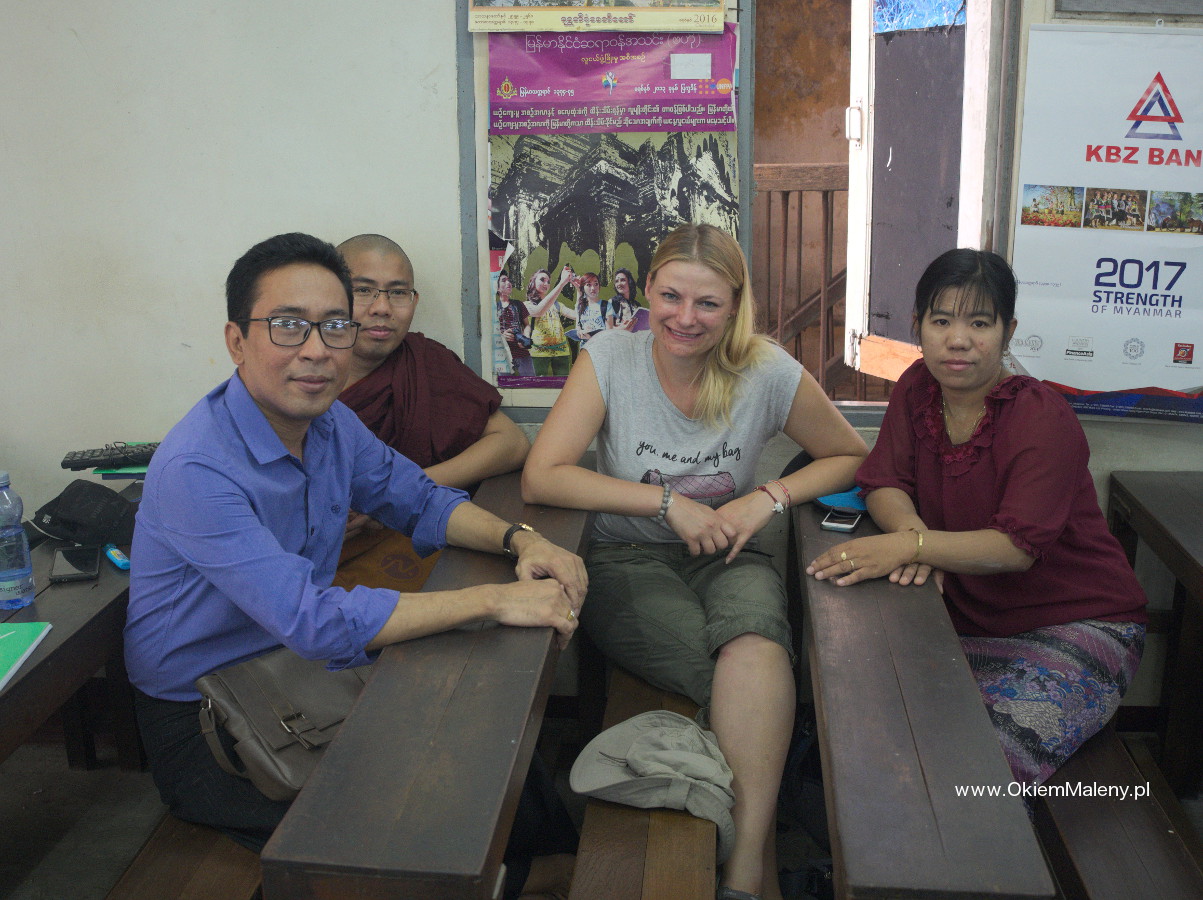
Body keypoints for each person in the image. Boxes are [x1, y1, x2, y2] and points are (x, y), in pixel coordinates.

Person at [123, 233, 585, 897]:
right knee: (402, 822)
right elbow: (313, 620)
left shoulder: (329, 423)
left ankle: (556, 867)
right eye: (288, 326)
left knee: (486, 738)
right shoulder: (198, 468)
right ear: (236, 341)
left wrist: (521, 541)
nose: (316, 349)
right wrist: (494, 599)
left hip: (300, 669)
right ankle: (522, 878)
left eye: (334, 326)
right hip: (207, 715)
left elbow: (419, 498)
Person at [523, 223, 868, 900]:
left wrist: (767, 497)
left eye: (707, 303)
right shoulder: (610, 356)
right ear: (647, 288)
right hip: (625, 558)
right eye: (671, 296)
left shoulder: (765, 369)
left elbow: (850, 455)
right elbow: (543, 476)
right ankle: (755, 872)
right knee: (750, 692)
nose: (685, 317)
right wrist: (664, 503)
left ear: (735, 304)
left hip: (732, 554)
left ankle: (741, 868)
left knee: (758, 651)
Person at [806, 248, 1147, 787]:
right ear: (917, 326)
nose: (958, 339)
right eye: (941, 321)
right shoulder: (919, 387)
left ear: (1009, 331)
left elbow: (1014, 548)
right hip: (961, 616)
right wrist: (914, 534)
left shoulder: (1041, 417)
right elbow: (884, 481)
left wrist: (912, 548)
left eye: (980, 324)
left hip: (1076, 625)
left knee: (977, 770)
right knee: (876, 730)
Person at [337, 234, 529, 492]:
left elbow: (512, 444)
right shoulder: (296, 369)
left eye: (398, 292)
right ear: (329, 295)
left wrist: (403, 488)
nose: (382, 307)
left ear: (414, 301)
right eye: (363, 290)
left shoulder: (423, 362)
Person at [524, 266, 578, 376]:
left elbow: (577, 316)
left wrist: (579, 290)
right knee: (538, 384)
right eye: (542, 280)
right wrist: (562, 283)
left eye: (548, 281)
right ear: (533, 282)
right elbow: (539, 311)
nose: (546, 283)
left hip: (561, 352)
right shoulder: (526, 305)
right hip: (538, 353)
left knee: (563, 384)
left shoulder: (557, 305)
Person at [497, 271, 534, 377]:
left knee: (529, 382)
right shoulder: (494, 307)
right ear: (497, 288)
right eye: (504, 280)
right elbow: (488, 330)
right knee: (505, 384)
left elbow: (527, 325)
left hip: (522, 352)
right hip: (503, 354)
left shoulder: (518, 304)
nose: (508, 283)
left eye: (509, 280)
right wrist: (502, 335)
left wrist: (525, 337)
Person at [573, 271, 607, 343]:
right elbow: (578, 328)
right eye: (588, 285)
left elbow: (610, 332)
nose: (593, 288)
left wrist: (591, 337)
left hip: (602, 346)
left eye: (596, 284)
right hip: (585, 347)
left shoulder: (606, 306)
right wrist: (580, 334)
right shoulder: (580, 307)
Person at [605, 266, 641, 331]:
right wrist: (622, 329)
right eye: (616, 281)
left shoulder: (637, 305)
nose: (619, 284)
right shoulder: (613, 302)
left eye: (622, 280)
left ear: (630, 282)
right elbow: (607, 329)